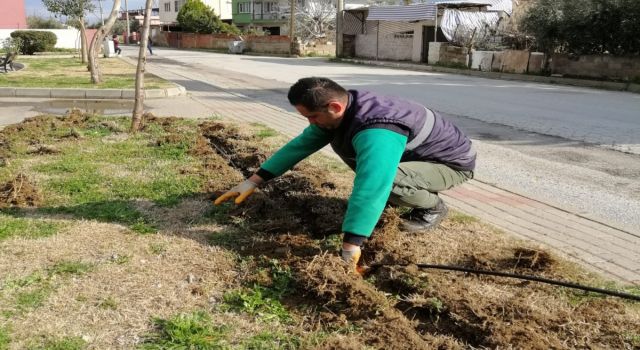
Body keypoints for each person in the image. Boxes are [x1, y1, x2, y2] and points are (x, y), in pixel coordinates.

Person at [215, 77, 476, 272]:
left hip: (450, 165)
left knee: (388, 181)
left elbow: (372, 184)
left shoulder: (377, 128)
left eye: (313, 117)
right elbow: (299, 146)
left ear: (335, 107)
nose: (311, 123)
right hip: (413, 159)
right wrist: (252, 181)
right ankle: (405, 197)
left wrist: (351, 246)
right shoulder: (343, 109)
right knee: (371, 167)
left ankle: (432, 208)